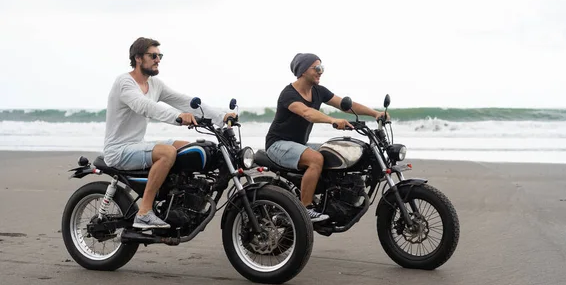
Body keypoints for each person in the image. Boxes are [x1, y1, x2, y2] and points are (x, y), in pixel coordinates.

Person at [103, 37, 236, 230]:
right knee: (167, 152)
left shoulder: (155, 84)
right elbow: (145, 106)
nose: (158, 59)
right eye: (153, 55)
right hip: (118, 150)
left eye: (160, 56)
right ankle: (144, 213)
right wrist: (178, 117)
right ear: (138, 58)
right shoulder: (125, 82)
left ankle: (180, 197)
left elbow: (184, 101)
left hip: (136, 144)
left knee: (190, 148)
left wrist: (221, 116)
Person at [265, 53, 388, 222]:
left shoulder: (318, 91)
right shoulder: (289, 94)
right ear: (302, 70)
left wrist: (375, 114)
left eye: (321, 68)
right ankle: (305, 208)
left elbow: (346, 106)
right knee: (316, 159)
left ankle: (331, 199)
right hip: (277, 145)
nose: (320, 71)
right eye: (317, 68)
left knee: (335, 152)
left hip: (299, 144)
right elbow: (307, 112)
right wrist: (332, 120)